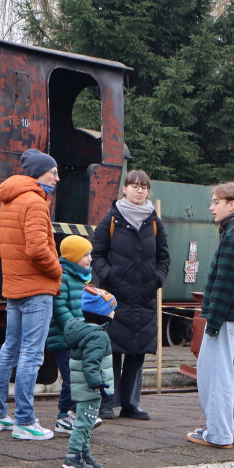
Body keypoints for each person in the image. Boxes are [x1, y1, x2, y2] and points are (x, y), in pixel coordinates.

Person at [0, 149, 63, 441]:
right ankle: (25, 421)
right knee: (31, 354)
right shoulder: (36, 202)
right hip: (37, 289)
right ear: (40, 173)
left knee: (9, 350)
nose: (56, 177)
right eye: (52, 172)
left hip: (14, 288)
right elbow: (36, 248)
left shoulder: (10, 200)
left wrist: (15, 266)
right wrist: (57, 271)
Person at [89, 170, 170, 420]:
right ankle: (106, 403)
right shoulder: (111, 219)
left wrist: (157, 278)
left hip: (144, 296)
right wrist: (109, 276)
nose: (139, 190)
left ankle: (130, 404)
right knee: (111, 350)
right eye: (134, 186)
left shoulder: (154, 222)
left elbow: (164, 256)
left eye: (143, 187)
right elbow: (97, 253)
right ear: (124, 189)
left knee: (137, 351)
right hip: (115, 296)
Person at [187, 183, 234, 449]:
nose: (211, 207)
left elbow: (225, 285)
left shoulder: (233, 236)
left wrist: (213, 323)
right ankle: (226, 428)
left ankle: (218, 435)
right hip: (231, 316)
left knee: (215, 375)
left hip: (223, 316)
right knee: (220, 372)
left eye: (216, 201)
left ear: (232, 204)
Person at [46, 235, 102, 433]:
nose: (90, 259)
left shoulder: (83, 277)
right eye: (86, 255)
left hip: (79, 336)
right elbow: (60, 308)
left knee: (77, 376)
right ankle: (70, 415)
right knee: (72, 377)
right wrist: (76, 328)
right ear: (73, 256)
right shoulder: (63, 276)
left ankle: (68, 415)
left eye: (90, 254)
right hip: (63, 338)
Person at [61, 286, 118, 468]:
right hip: (90, 388)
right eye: (111, 308)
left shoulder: (84, 331)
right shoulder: (98, 336)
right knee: (85, 423)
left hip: (82, 386)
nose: (114, 312)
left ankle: (85, 454)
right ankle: (72, 456)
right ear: (102, 314)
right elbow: (90, 363)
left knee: (87, 421)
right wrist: (98, 384)